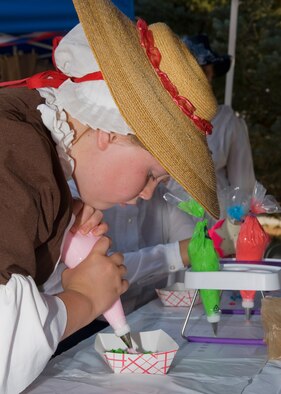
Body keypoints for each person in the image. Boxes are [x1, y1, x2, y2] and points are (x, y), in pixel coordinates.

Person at [0, 0, 220, 392]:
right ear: (110, 131)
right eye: (152, 173)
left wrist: (58, 238)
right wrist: (82, 299)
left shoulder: (36, 152)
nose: (147, 192)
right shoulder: (17, 155)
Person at [183, 34, 256, 199]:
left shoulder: (227, 121)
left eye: (204, 71)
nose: (198, 78)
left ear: (211, 75)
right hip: (160, 218)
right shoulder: (159, 114)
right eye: (192, 70)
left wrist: (239, 216)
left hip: (210, 220)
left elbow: (242, 185)